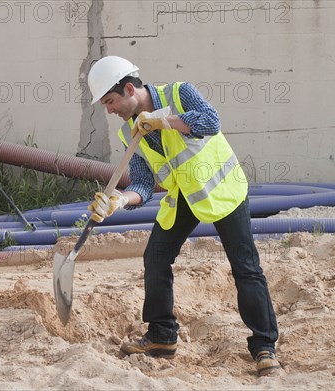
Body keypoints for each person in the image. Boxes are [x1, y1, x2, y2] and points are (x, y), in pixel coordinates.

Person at [85, 55, 281, 377]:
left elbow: (210, 121)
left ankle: (264, 348)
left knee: (245, 267)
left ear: (129, 89)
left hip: (222, 189)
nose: (109, 110)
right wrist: (118, 202)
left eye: (109, 101)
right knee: (156, 257)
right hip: (186, 196)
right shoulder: (131, 132)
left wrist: (165, 121)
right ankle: (162, 337)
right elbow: (145, 184)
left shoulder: (179, 93)